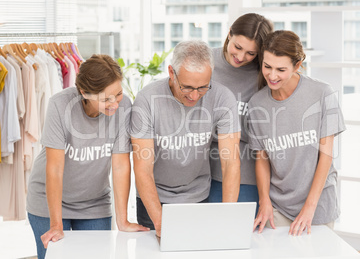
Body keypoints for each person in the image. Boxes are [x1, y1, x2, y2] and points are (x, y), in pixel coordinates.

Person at [26, 54, 149, 259]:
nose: (114, 104)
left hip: (95, 203)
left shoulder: (124, 106)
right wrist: (56, 225)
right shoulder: (60, 105)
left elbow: (120, 165)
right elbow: (55, 168)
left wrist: (123, 220)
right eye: (105, 99)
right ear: (84, 92)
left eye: (117, 94)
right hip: (49, 204)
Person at [130, 40, 241, 237]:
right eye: (187, 87)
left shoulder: (223, 98)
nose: (195, 96)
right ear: (171, 73)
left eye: (203, 87)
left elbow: (230, 163)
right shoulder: (147, 100)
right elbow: (142, 168)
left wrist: (229, 216)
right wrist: (159, 221)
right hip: (154, 197)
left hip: (197, 196)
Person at [248, 30, 346, 236]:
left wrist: (310, 208)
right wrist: (264, 202)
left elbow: (326, 156)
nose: (272, 76)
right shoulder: (257, 104)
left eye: (281, 69)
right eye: (267, 66)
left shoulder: (322, 93)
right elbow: (262, 158)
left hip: (318, 204)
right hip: (278, 207)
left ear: (297, 66)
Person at [209, 13, 273, 208]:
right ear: (229, 34)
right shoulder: (206, 62)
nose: (241, 57)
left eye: (251, 53)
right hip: (203, 173)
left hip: (246, 175)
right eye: (237, 47)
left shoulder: (264, 74)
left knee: (239, 234)